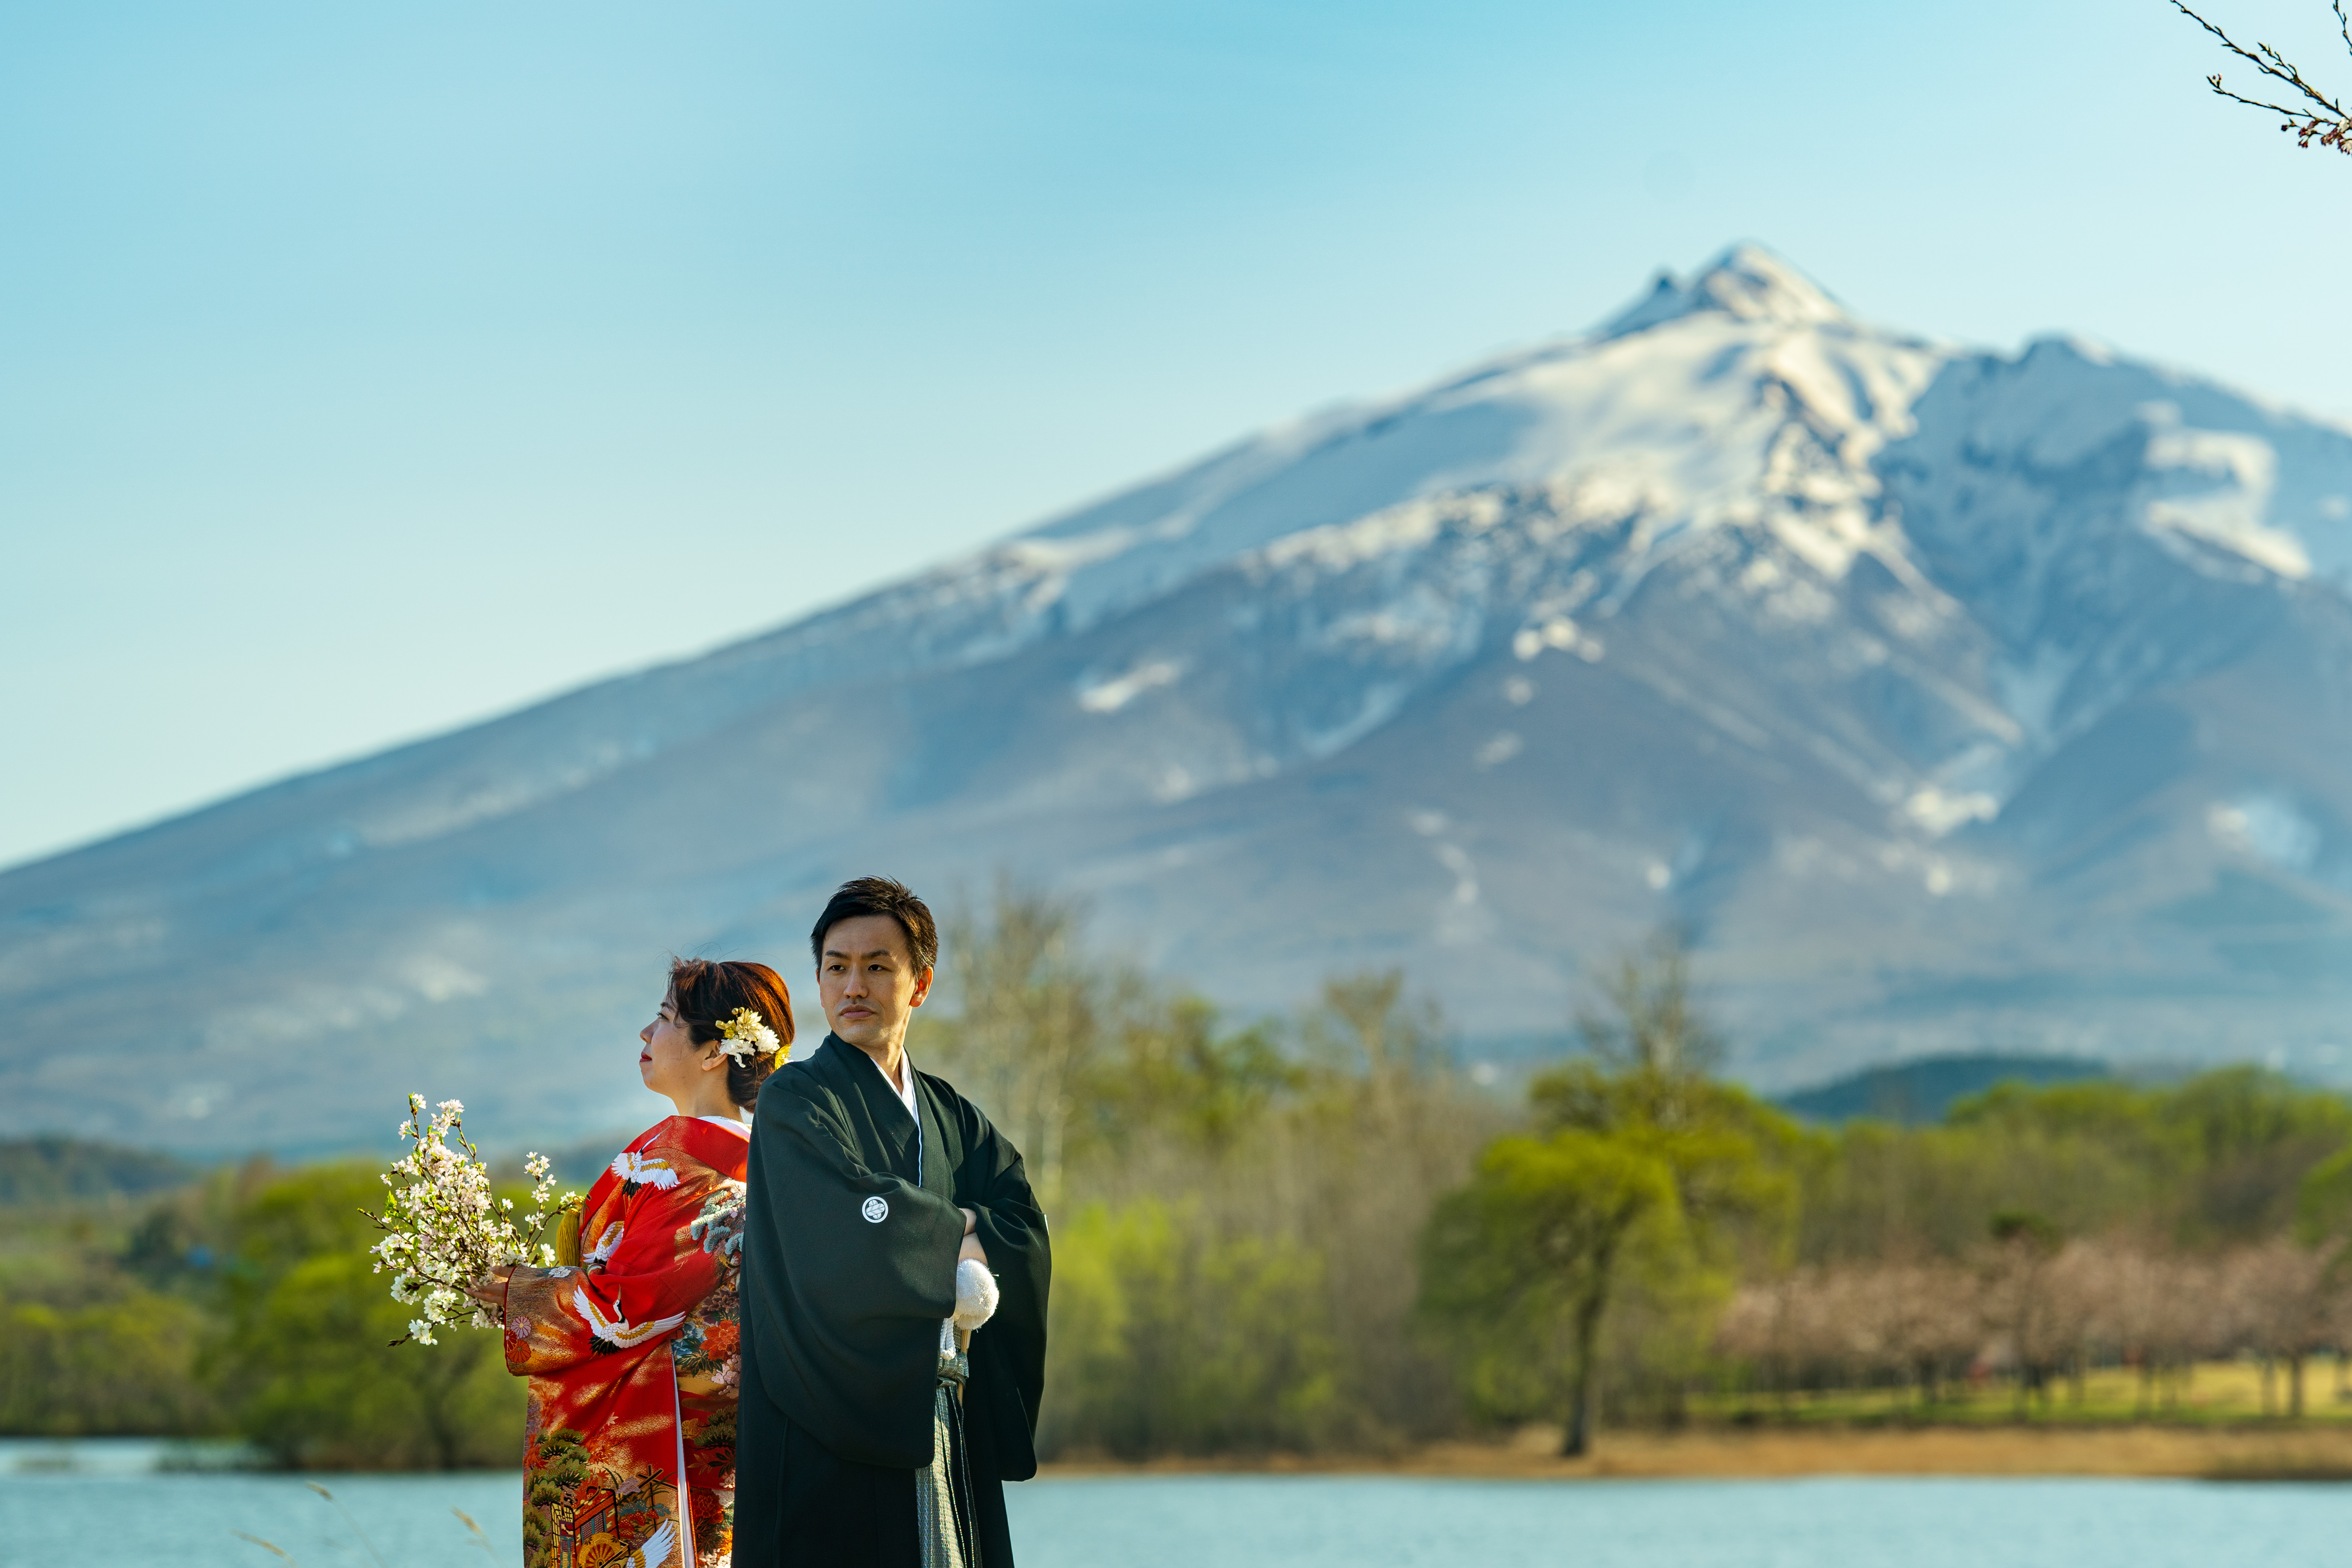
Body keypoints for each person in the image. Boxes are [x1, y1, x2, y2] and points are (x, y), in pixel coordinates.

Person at [734, 876, 1051, 1568]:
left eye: (878, 967)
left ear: (920, 984)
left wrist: (967, 1224)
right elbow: (842, 1217)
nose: (855, 987)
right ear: (818, 982)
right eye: (837, 968)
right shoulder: (794, 1098)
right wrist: (958, 1241)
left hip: (940, 1408)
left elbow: (1020, 1215)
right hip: (826, 1412)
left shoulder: (949, 1113)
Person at [475, 958, 794, 1568]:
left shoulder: (710, 1176)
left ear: (713, 1054)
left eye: (667, 1018)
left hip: (675, 1431)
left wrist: (521, 1293)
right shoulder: (685, 1153)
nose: (646, 1034)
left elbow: (623, 1307)